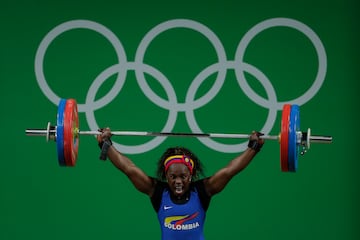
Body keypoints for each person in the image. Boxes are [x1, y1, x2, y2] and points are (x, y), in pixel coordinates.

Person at [97, 128, 264, 240]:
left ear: (190, 176)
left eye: (183, 177)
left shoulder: (202, 191)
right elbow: (129, 168)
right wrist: (107, 145)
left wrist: (253, 147)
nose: (178, 181)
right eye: (173, 176)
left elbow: (230, 170)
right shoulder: (157, 192)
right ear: (166, 176)